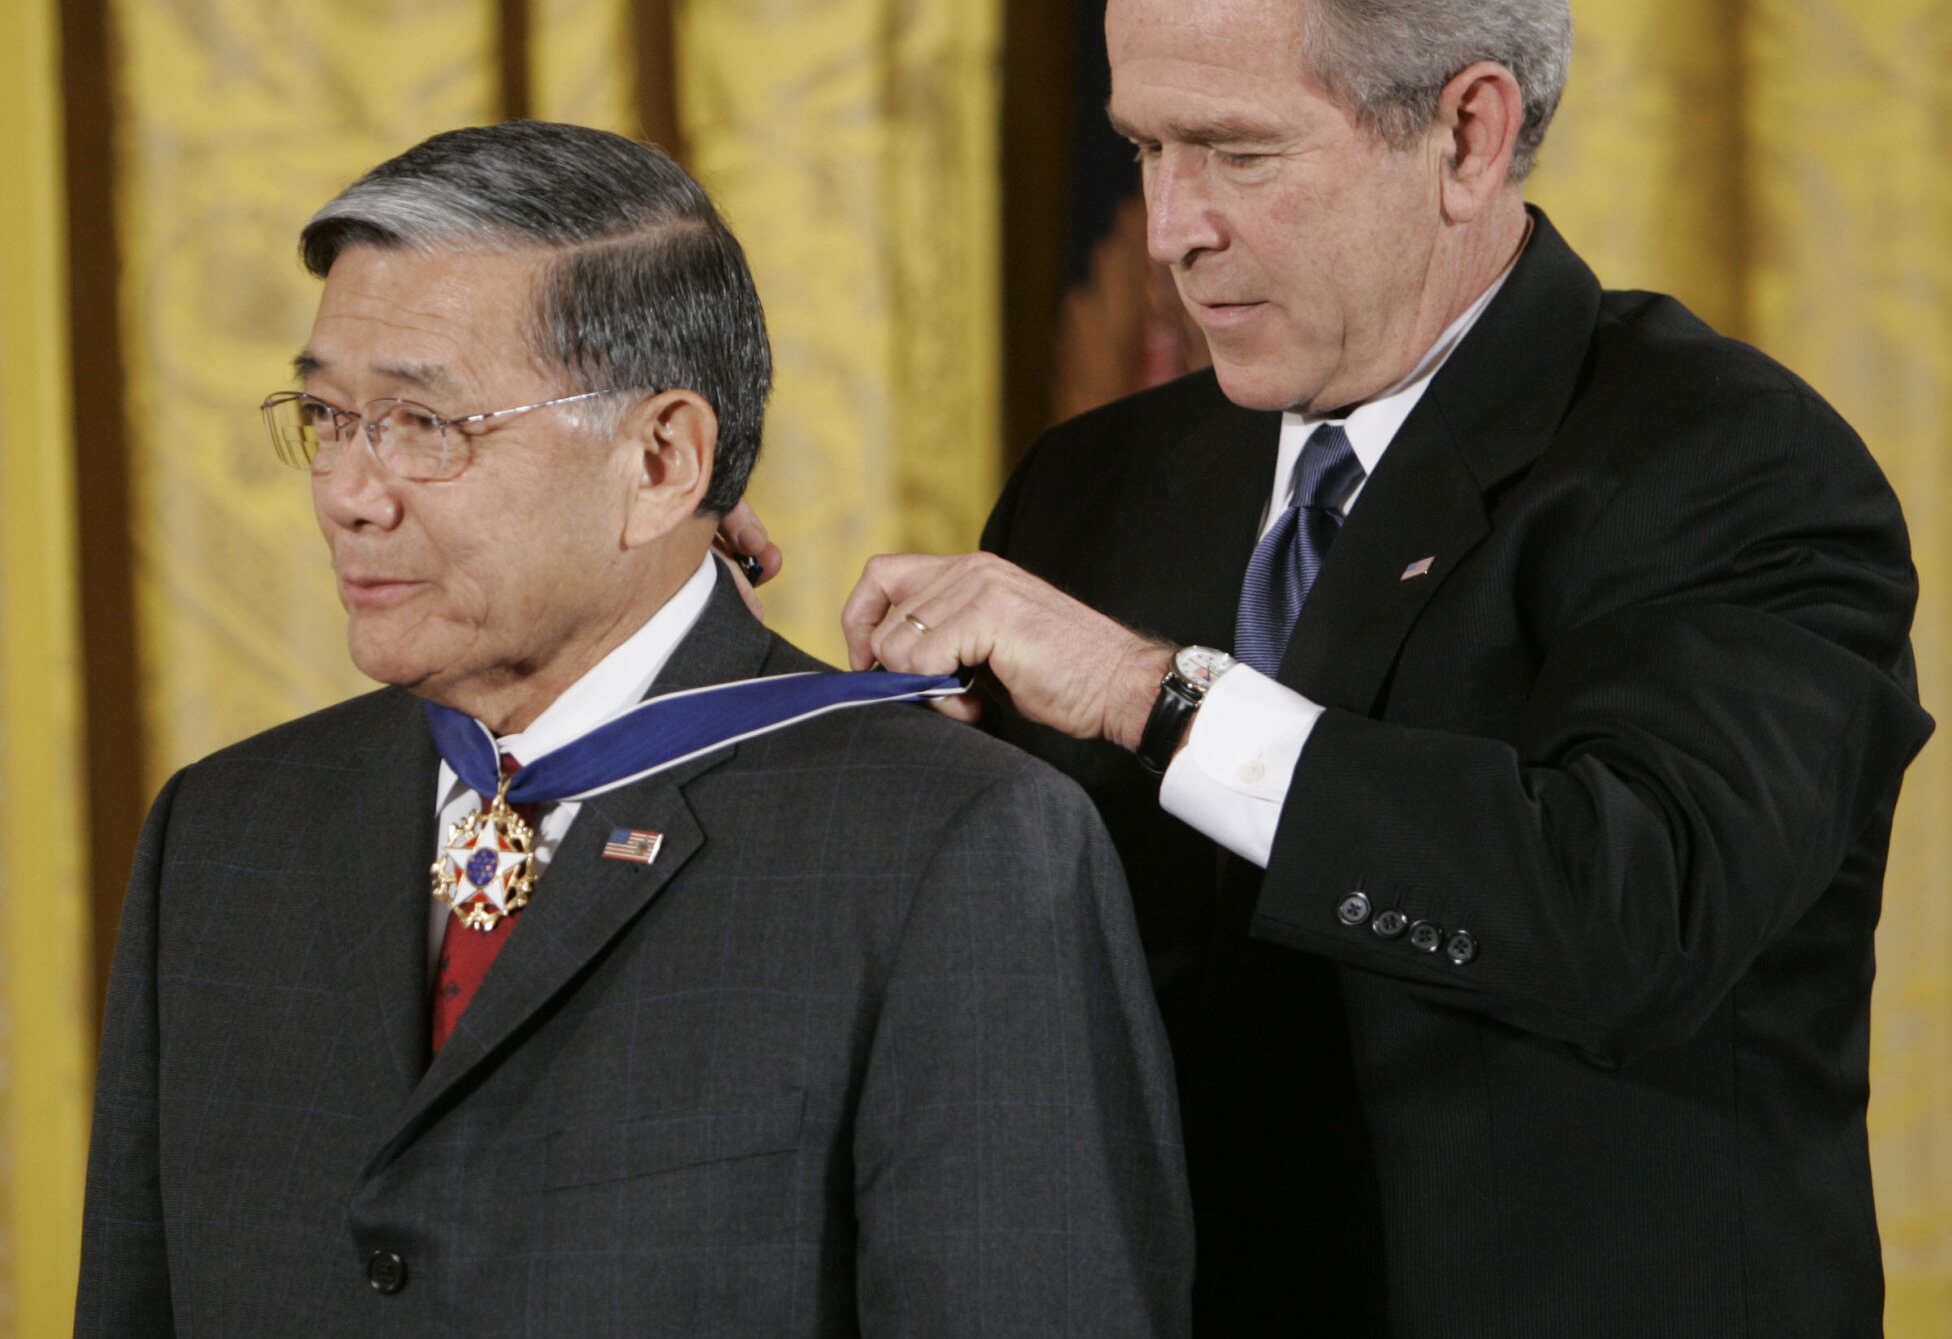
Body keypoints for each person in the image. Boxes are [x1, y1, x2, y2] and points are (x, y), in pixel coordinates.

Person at [835, 0, 1934, 1337]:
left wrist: (1163, 699)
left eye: (1237, 153)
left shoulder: (1723, 466)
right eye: (1145, 149)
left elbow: (1633, 915)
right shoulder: (1093, 490)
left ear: (1469, 133)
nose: (1169, 230)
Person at [75, 121, 1192, 1337]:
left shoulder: (953, 848)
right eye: (329, 417)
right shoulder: (226, 831)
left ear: (660, 460)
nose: (347, 492)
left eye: (422, 425)